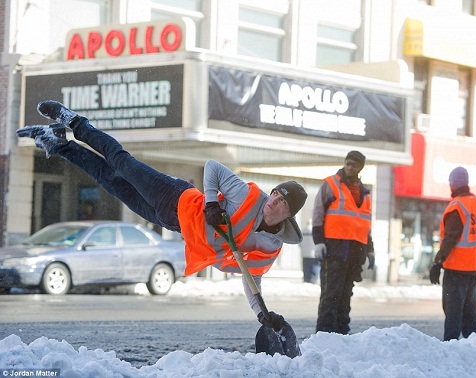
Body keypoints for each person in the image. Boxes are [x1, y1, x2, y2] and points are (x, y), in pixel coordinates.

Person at [17, 100, 308, 331]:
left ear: (289, 215)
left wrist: (262, 314)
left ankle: (59, 144)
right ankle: (74, 122)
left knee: (109, 181)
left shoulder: (269, 248)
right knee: (120, 162)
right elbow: (213, 167)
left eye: (282, 202)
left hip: (169, 221)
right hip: (174, 195)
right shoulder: (249, 196)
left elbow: (251, 279)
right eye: (275, 194)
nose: (274, 201)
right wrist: (210, 203)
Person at [312, 151, 374, 334]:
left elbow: (365, 224)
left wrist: (370, 250)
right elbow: (317, 213)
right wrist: (318, 241)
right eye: (348, 163)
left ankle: (341, 333)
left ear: (360, 168)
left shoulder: (365, 192)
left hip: (356, 250)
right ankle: (324, 333)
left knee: (346, 294)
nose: (350, 167)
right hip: (334, 248)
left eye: (354, 165)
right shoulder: (330, 184)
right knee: (331, 294)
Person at [429, 166, 476, 341]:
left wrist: (437, 262)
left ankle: (450, 347)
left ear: (453, 184)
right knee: (470, 312)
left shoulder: (457, 206)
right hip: (474, 267)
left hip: (456, 268)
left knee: (453, 312)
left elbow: (450, 238)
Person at [299, 219, 319, 284]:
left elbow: (300, 243)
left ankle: (306, 279)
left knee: (306, 268)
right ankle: (313, 280)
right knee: (314, 267)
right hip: (313, 253)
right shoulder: (314, 231)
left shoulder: (303, 231)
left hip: (305, 253)